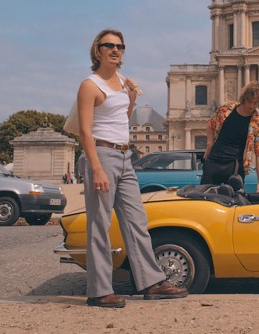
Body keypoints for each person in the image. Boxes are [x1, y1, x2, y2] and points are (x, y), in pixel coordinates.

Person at [76, 28, 188, 308]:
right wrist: (97, 168)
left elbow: (120, 119)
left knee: (137, 221)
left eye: (120, 46)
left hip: (125, 157)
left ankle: (151, 282)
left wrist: (132, 98)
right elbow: (85, 132)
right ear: (97, 50)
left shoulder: (122, 81)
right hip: (102, 154)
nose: (116, 50)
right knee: (99, 225)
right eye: (109, 45)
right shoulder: (90, 85)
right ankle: (99, 290)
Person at [202, 81, 259, 192]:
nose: (252, 106)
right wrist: (209, 144)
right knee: (204, 199)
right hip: (214, 161)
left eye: (256, 103)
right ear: (244, 98)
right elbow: (211, 124)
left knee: (234, 202)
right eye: (249, 102)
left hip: (235, 167)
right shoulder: (226, 109)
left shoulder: (258, 124)